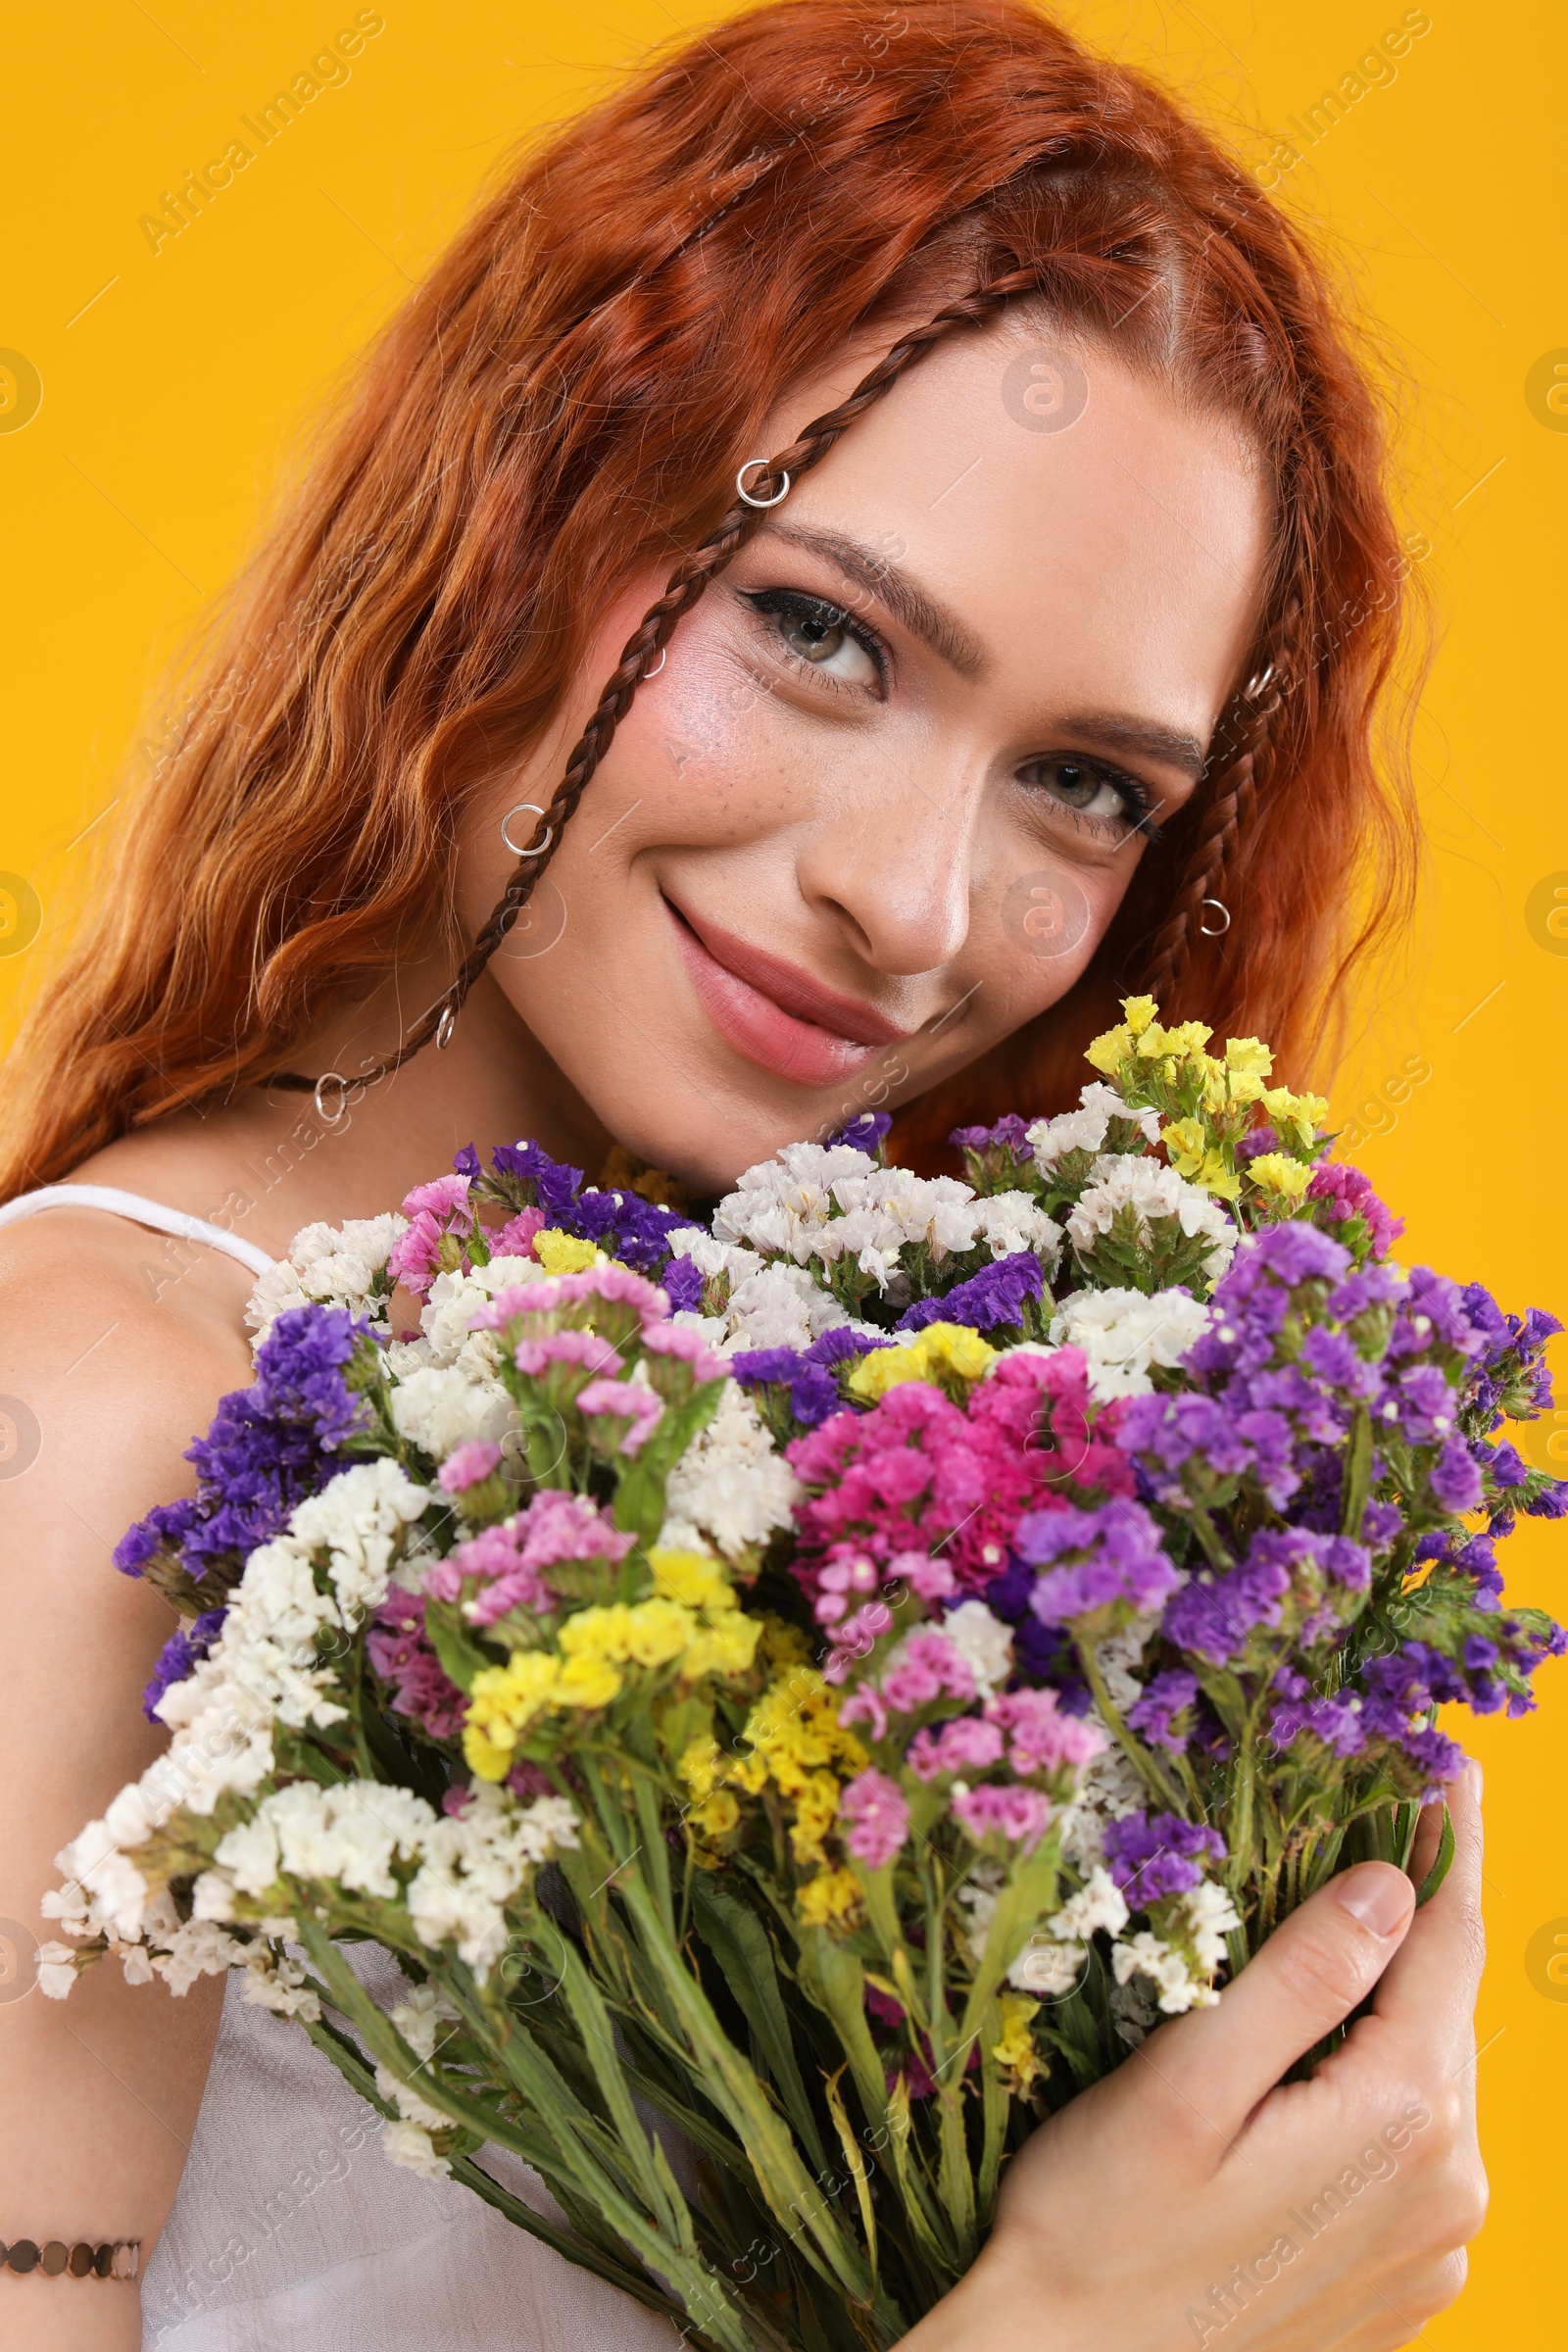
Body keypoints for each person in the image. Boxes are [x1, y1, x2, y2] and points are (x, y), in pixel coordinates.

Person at [0, 2, 1485, 2345]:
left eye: (1085, 785)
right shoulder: (92, 1425)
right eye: (819, 632)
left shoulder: (845, 1502)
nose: (912, 899)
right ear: (518, 521)